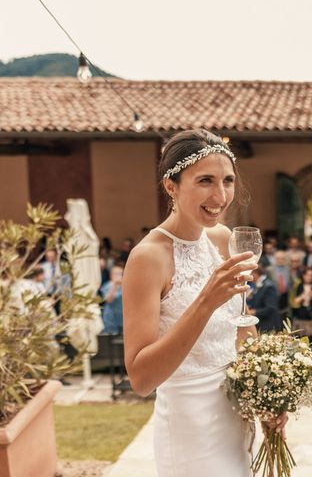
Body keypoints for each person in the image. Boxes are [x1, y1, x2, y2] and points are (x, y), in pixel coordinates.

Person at [122, 129, 286, 477]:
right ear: (172, 186)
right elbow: (140, 379)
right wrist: (206, 301)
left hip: (235, 412)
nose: (221, 195)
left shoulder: (223, 238)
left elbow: (241, 329)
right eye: (205, 181)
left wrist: (267, 395)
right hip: (189, 425)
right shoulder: (147, 258)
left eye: (228, 180)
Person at [291, 267, 312, 359]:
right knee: (302, 336)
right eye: (307, 275)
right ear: (303, 275)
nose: (309, 277)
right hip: (302, 314)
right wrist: (305, 295)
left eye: (311, 275)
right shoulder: (299, 286)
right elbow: (295, 301)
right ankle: (303, 355)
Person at [247, 265, 283, 332]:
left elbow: (271, 308)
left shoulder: (269, 286)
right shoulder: (258, 285)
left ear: (254, 273)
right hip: (262, 324)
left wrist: (253, 312)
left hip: (269, 325)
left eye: (249, 273)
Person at [100, 264, 124, 334]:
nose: (118, 276)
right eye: (116, 274)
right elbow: (109, 300)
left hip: (122, 317)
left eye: (120, 274)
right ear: (111, 275)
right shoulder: (107, 286)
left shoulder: (125, 285)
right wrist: (115, 286)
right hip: (110, 317)